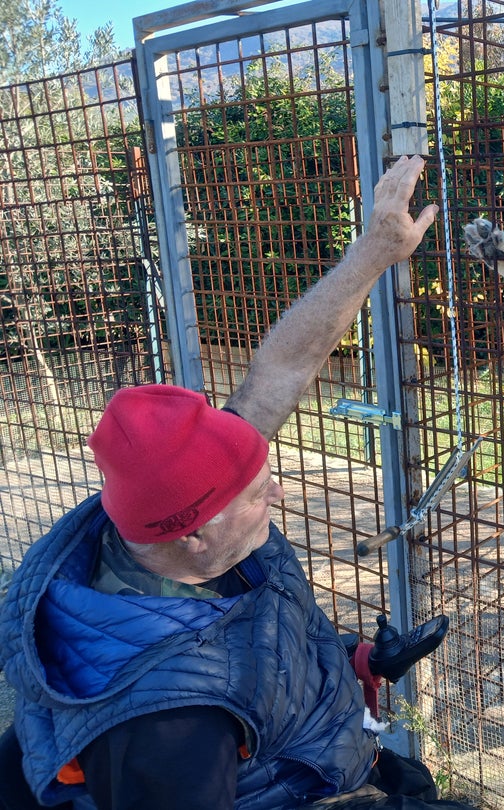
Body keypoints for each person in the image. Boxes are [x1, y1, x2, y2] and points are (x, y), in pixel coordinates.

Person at [0, 156, 472, 810]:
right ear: (195, 532)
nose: (276, 495)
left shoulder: (168, 511)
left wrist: (374, 252)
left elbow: (284, 363)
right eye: (259, 492)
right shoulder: (166, 727)